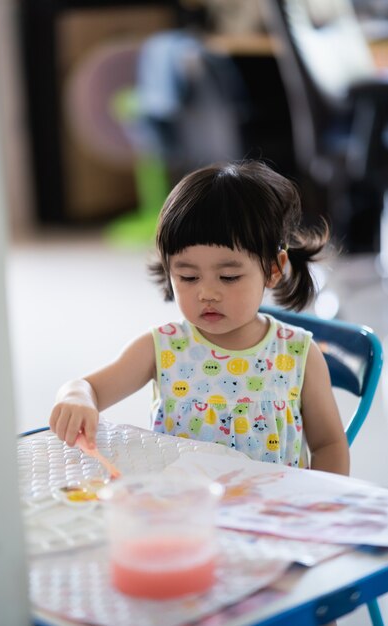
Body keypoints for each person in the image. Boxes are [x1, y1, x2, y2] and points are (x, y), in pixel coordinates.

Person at [49, 160, 350, 476]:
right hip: (184, 510)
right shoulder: (162, 347)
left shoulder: (298, 354)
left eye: (229, 276)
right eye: (188, 277)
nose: (207, 293)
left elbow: (329, 444)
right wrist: (76, 398)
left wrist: (320, 507)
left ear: (273, 270)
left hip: (271, 517)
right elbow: (87, 387)